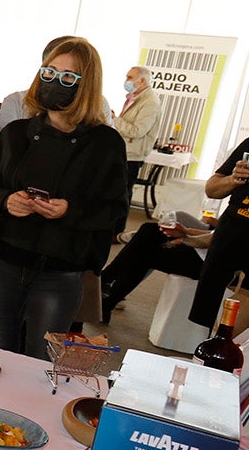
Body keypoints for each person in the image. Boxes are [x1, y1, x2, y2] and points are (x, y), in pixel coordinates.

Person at [0, 37, 128, 358]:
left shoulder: (105, 144)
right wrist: (6, 202)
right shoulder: (15, 134)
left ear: (86, 86)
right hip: (4, 261)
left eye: (68, 77)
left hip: (60, 270)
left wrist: (69, 211)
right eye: (49, 73)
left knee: (39, 361)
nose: (55, 82)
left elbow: (113, 211)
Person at [102, 215, 211, 322]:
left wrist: (184, 238)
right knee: (150, 230)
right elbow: (214, 234)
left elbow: (213, 239)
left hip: (208, 265)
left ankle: (103, 282)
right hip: (203, 251)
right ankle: (106, 297)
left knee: (144, 250)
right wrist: (186, 232)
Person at [190, 140, 249, 329]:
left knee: (239, 326)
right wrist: (232, 179)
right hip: (229, 232)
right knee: (207, 307)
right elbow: (212, 190)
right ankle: (201, 353)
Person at [111, 64, 162, 201]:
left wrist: (115, 120)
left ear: (143, 81)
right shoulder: (133, 97)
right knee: (114, 192)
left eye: (130, 77)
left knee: (122, 195)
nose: (126, 80)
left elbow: (138, 130)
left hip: (132, 156)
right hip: (123, 151)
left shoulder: (150, 102)